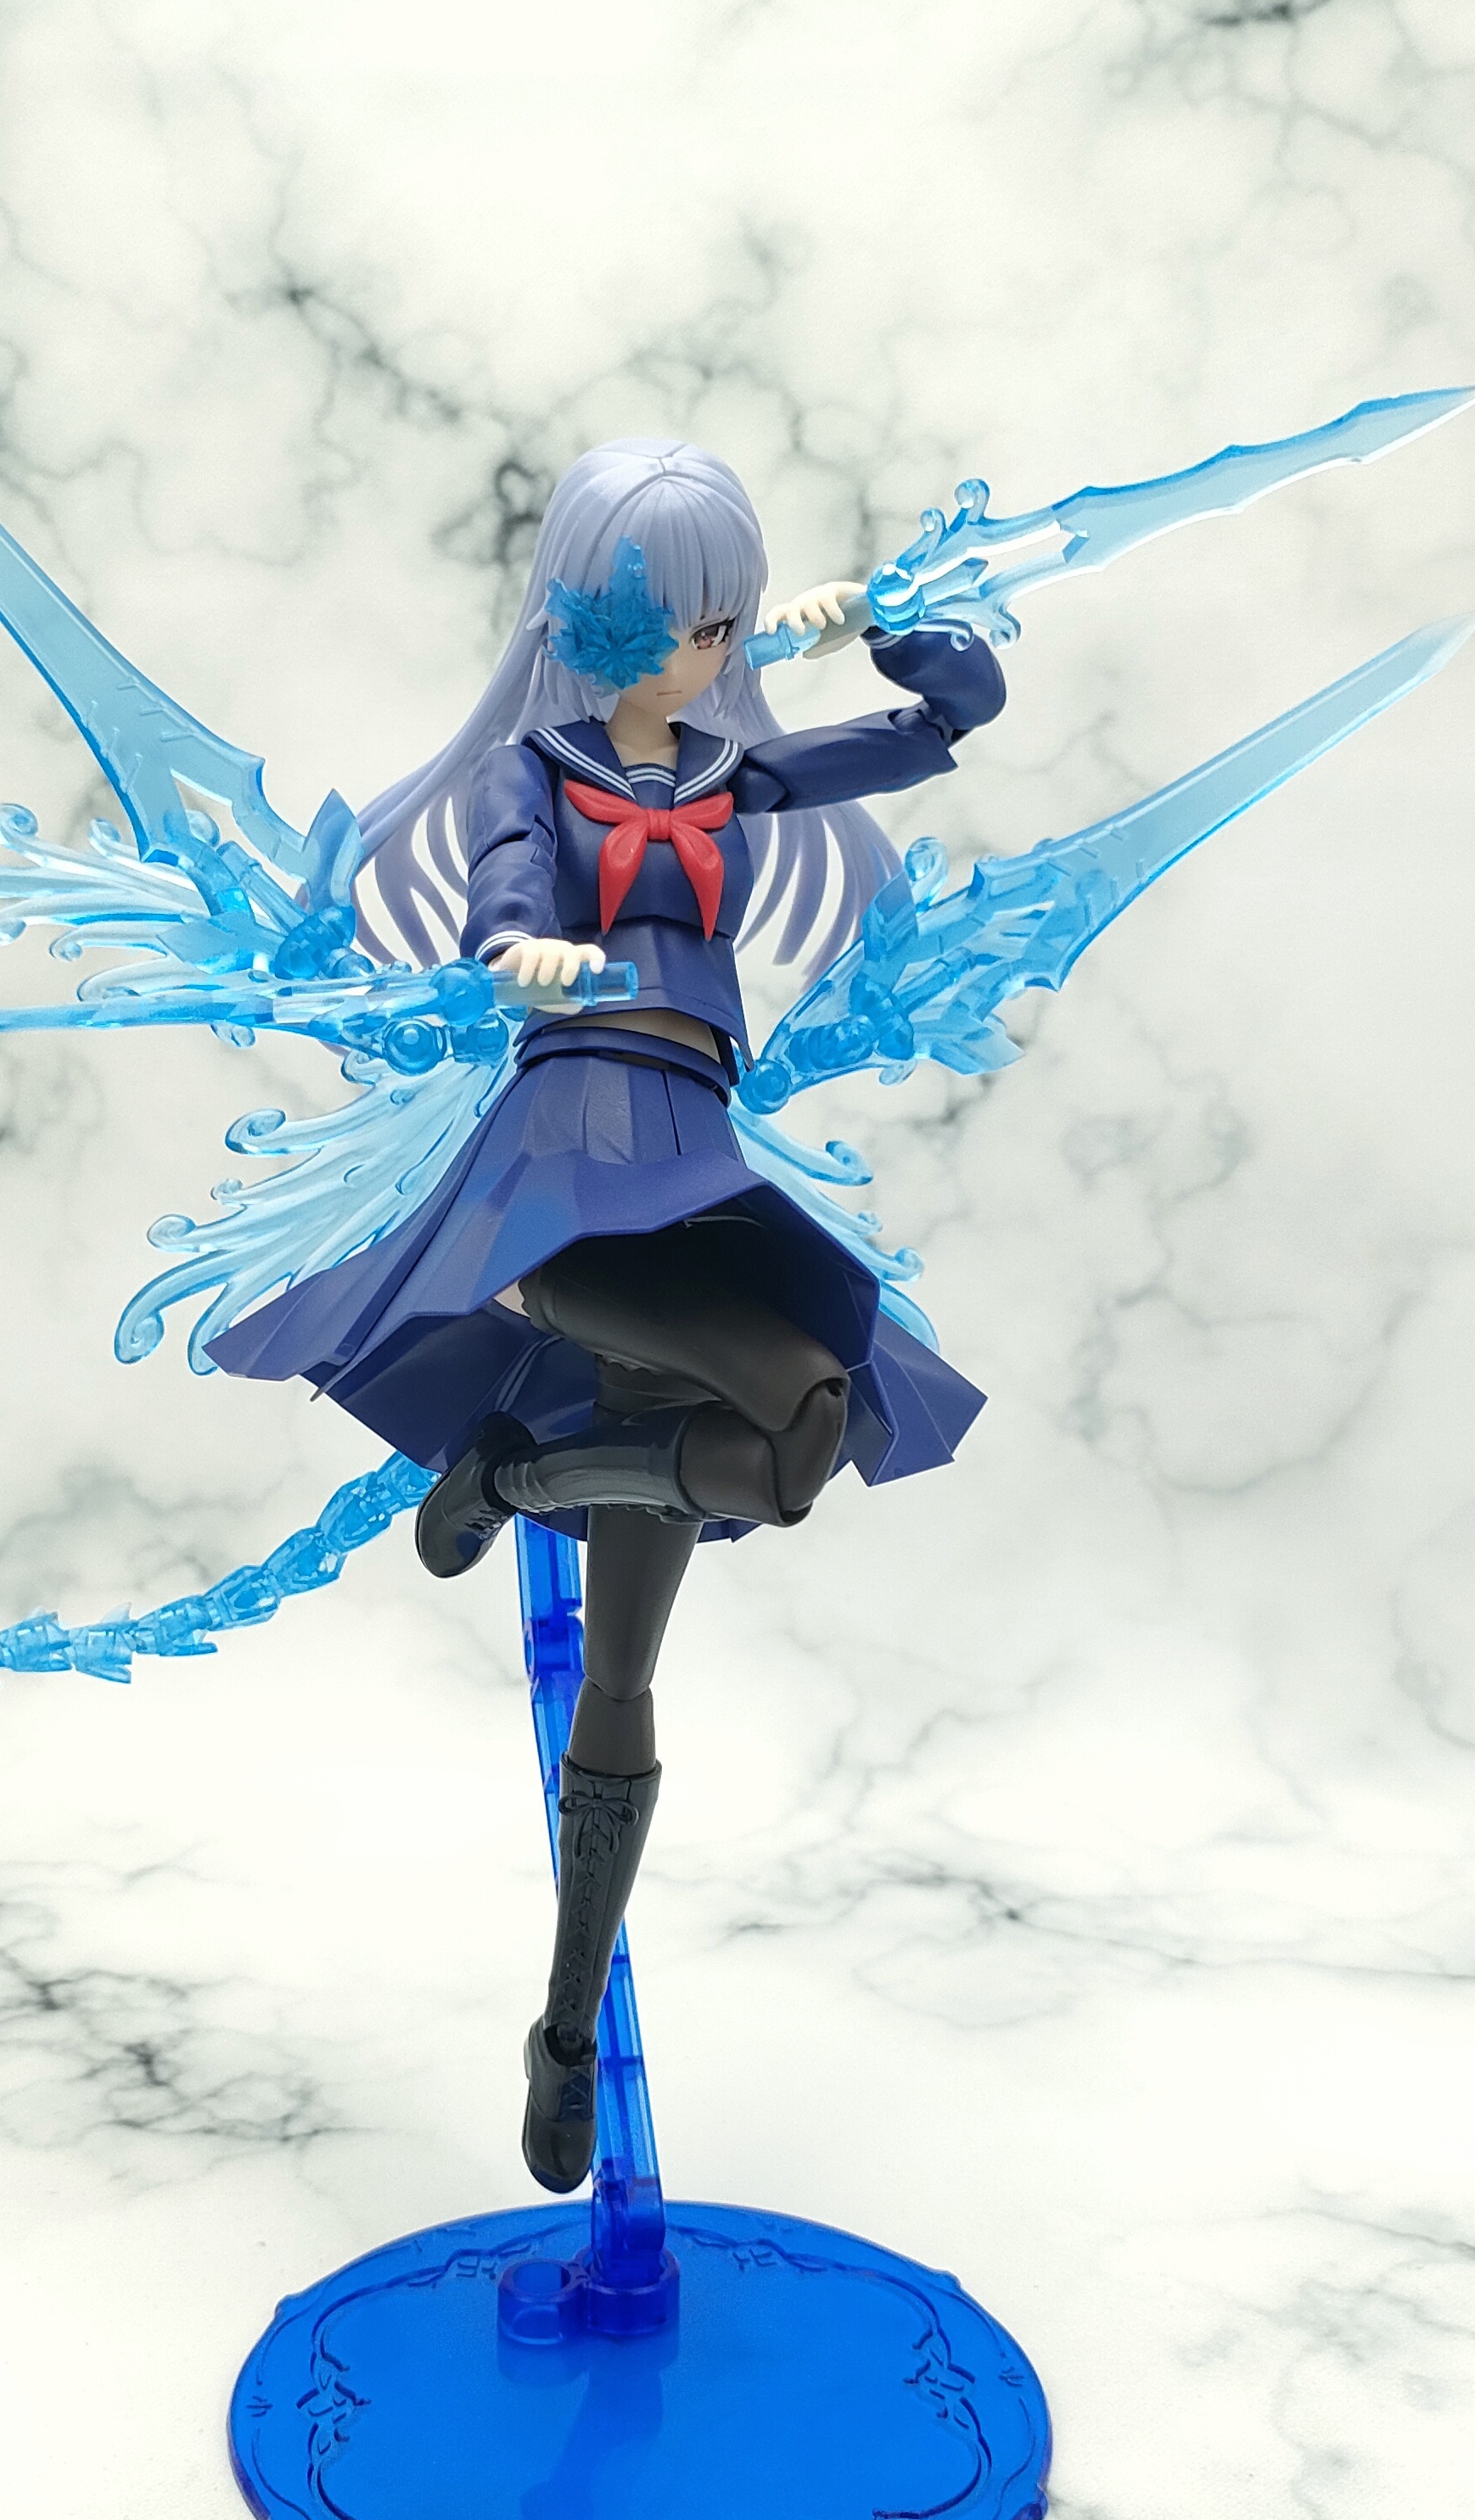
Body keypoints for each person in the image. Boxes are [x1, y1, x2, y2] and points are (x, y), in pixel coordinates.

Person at [205, 438, 1006, 2192]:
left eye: (725, 621)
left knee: (788, 1454)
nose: (713, 651)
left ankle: (562, 2014)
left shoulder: (734, 771)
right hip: (569, 1170)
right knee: (744, 1445)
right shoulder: (532, 772)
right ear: (594, 618)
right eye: (687, 621)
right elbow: (502, 903)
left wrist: (890, 620)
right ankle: (508, 1486)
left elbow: (947, 723)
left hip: (699, 1164)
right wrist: (527, 951)